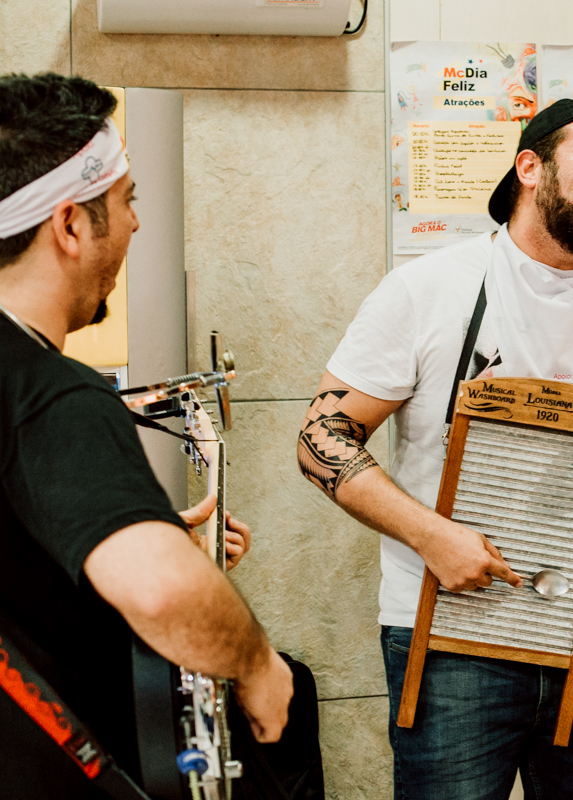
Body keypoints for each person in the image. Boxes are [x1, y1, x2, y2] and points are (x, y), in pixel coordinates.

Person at [298, 99, 573, 800]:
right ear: (528, 168)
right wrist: (434, 537)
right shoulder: (427, 291)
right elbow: (318, 439)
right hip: (454, 634)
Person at [0, 72, 293, 799]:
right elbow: (161, 592)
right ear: (70, 225)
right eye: (127, 202)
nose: (135, 224)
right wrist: (258, 665)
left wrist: (145, 530)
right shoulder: (52, 393)